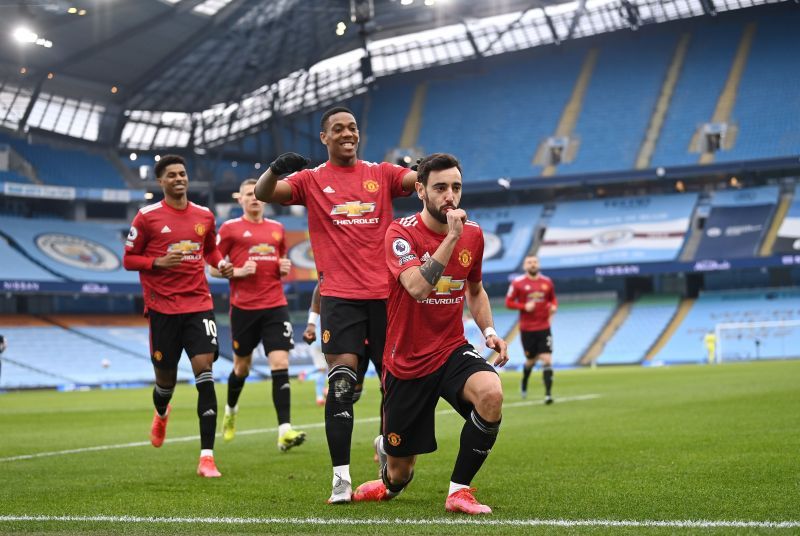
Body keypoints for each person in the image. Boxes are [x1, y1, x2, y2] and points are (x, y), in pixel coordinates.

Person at [255, 106, 418, 503]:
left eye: (353, 127)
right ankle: (341, 478)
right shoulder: (311, 180)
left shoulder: (381, 173)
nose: (348, 133)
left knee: (395, 387)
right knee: (341, 385)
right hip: (340, 298)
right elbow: (263, 193)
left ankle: (386, 446)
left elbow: (420, 181)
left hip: (387, 298)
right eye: (338, 129)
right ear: (325, 138)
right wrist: (276, 169)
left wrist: (425, 167)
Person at [351, 153, 508, 515]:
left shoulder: (475, 234)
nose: (450, 196)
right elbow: (418, 288)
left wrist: (488, 330)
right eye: (440, 188)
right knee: (399, 479)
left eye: (455, 187)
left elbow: (475, 288)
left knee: (491, 393)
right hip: (406, 361)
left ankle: (459, 492)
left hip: (451, 349)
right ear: (420, 190)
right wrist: (451, 238)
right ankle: (387, 461)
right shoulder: (400, 233)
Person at [123, 154, 234, 478]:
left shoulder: (204, 215)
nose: (178, 179)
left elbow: (211, 250)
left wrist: (221, 263)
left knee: (205, 372)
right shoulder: (146, 217)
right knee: (165, 382)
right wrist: (157, 262)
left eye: (182, 174)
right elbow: (129, 260)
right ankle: (161, 412)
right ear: (161, 182)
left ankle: (207, 457)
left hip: (198, 304)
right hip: (162, 308)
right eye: (171, 175)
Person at [210, 178, 306, 451]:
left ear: (264, 198)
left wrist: (283, 267)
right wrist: (237, 271)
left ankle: (284, 430)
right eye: (248, 194)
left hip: (275, 305)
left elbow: (282, 262)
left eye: (257, 193)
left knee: (280, 363)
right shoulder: (230, 229)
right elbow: (212, 268)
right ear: (238, 199)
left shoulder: (277, 229)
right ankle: (230, 411)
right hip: (243, 309)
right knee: (242, 367)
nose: (253, 198)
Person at [505, 255, 557, 404]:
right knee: (531, 361)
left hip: (544, 327)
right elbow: (508, 302)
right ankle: (524, 381)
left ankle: (548, 394)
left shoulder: (547, 282)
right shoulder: (517, 283)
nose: (532, 264)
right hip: (527, 329)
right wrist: (523, 306)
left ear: (538, 264)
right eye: (529, 262)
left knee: (547, 359)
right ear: (524, 266)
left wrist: (554, 306)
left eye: (534, 262)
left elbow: (552, 299)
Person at [302, 282, 328, 406]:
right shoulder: (328, 307)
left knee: (323, 370)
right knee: (327, 369)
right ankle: (322, 393)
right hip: (324, 341)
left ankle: (321, 394)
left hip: (315, 343)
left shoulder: (312, 310)